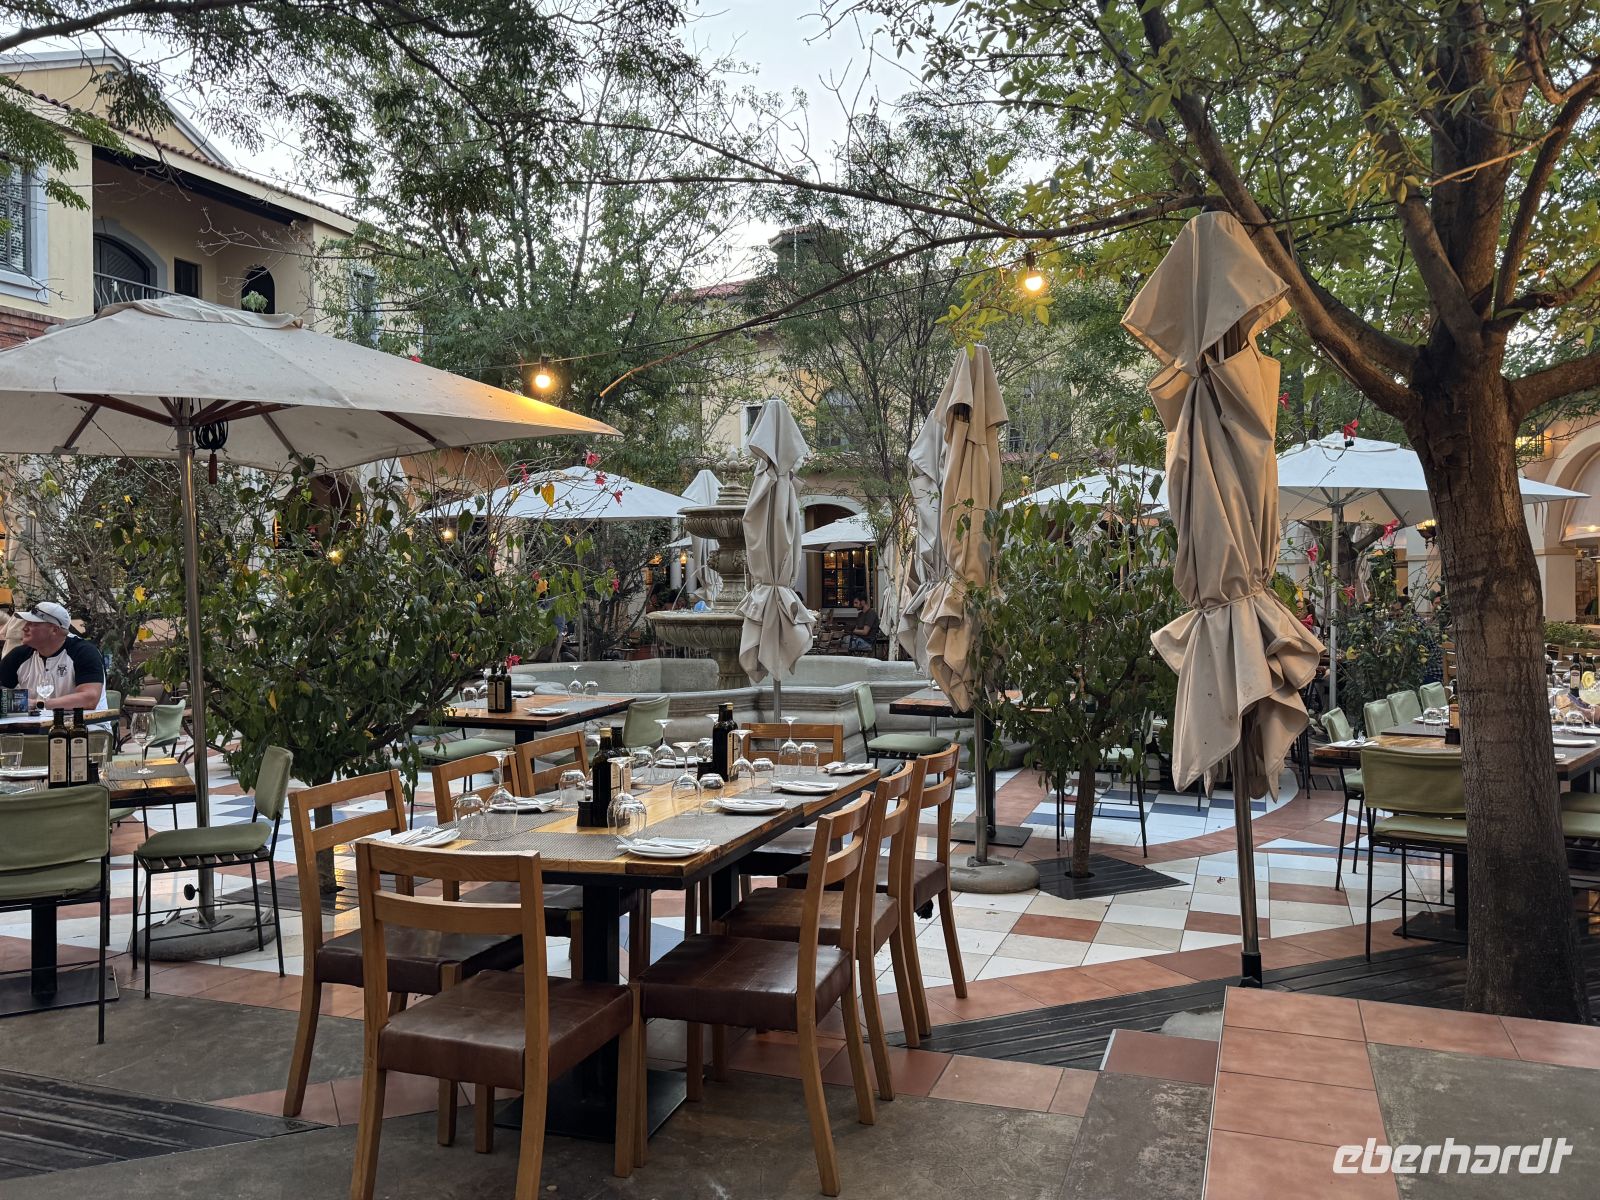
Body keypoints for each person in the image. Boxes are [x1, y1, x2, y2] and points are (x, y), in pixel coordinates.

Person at [0, 602, 108, 713]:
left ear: (54, 630)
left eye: (33, 624)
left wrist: (37, 704)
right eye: (26, 623)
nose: (24, 628)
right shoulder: (20, 655)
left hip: (85, 723)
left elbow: (89, 699)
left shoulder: (84, 652)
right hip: (36, 723)